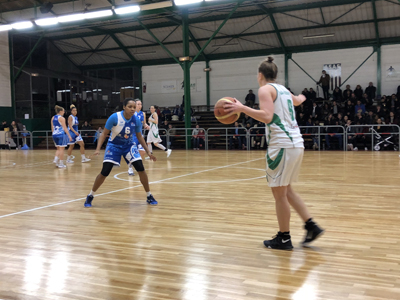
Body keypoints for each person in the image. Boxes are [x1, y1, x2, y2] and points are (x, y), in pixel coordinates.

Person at [223, 56, 324, 250]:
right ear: (275, 75)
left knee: (279, 194)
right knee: (287, 190)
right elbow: (296, 101)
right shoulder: (283, 89)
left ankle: (284, 238)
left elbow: (267, 116)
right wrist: (302, 98)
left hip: (282, 146)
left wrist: (242, 108)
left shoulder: (264, 90)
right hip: (296, 144)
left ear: (260, 75)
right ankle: (311, 226)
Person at [84, 98, 158, 207]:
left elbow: (139, 136)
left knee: (141, 168)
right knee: (105, 171)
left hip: (129, 145)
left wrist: (148, 152)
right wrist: (97, 149)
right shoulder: (114, 117)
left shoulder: (136, 120)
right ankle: (90, 195)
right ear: (124, 107)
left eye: (134, 107)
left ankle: (149, 195)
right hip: (114, 146)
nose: (133, 109)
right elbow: (104, 134)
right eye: (130, 107)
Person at [128, 99, 150, 176]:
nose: (140, 106)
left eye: (140, 104)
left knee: (142, 152)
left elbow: (144, 123)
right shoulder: (131, 114)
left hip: (140, 136)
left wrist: (146, 125)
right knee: (133, 152)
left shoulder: (143, 114)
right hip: (132, 136)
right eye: (138, 104)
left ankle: (136, 164)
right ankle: (130, 168)